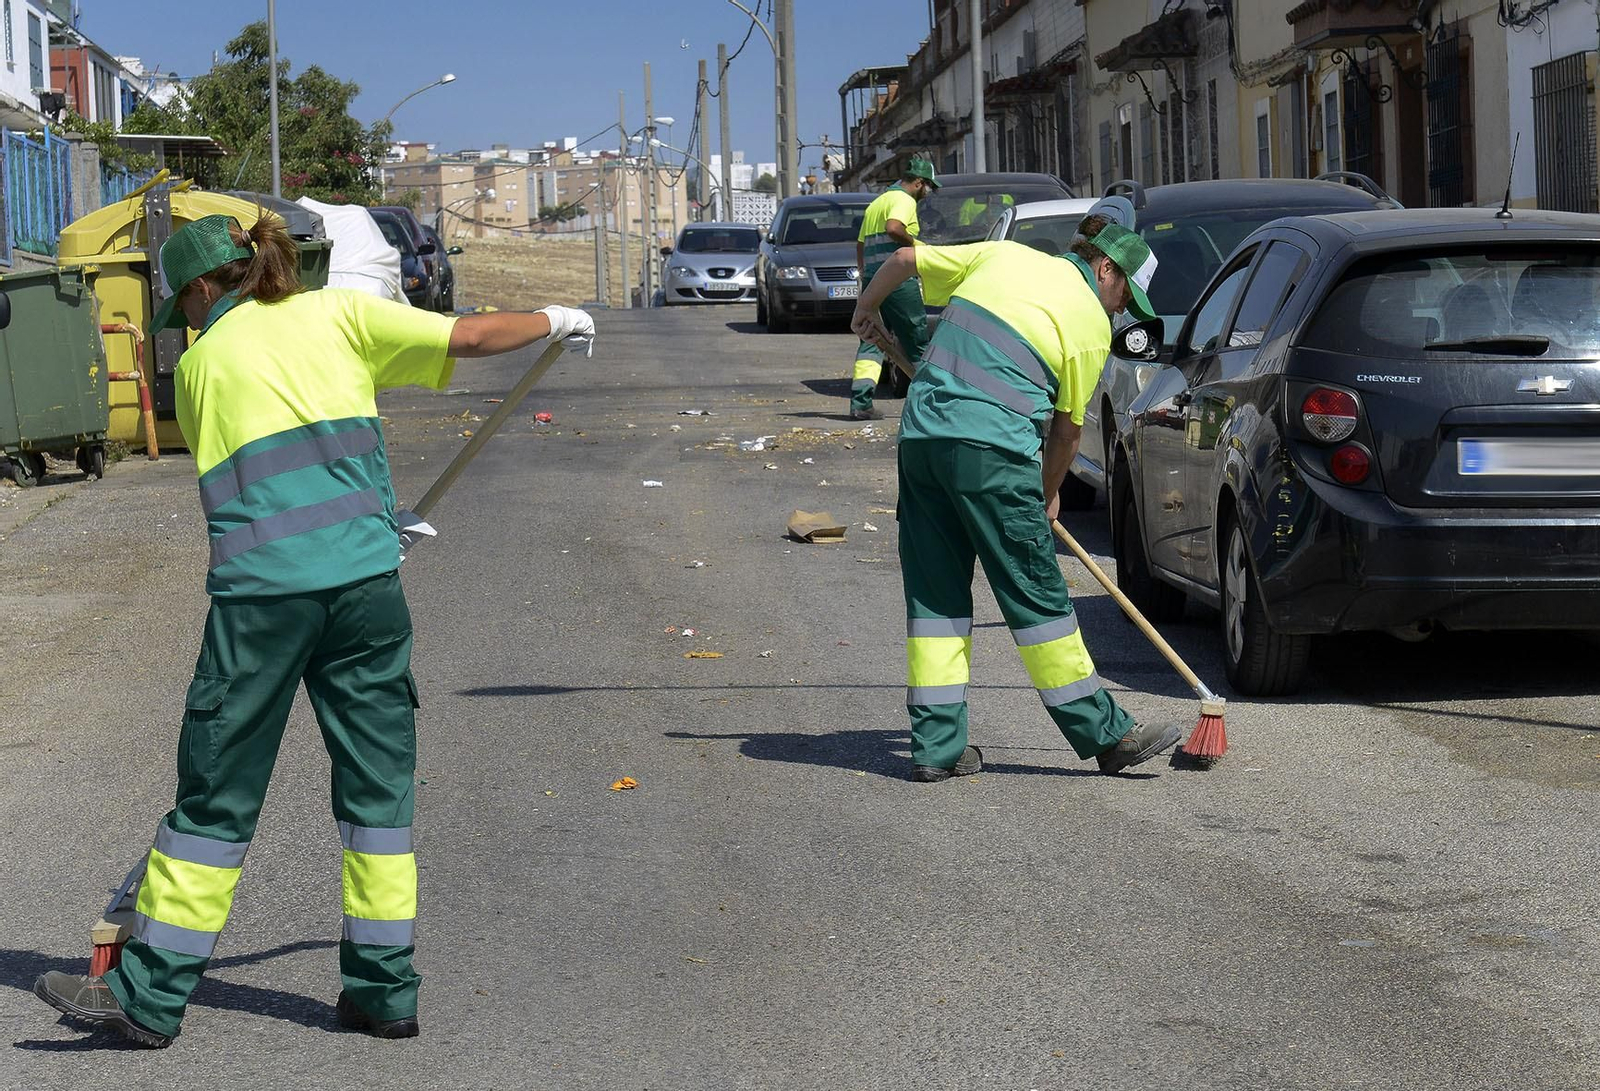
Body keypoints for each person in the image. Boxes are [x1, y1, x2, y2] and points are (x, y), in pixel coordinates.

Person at [33, 213, 595, 1047]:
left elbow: (256, 485)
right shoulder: (341, 314)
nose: (180, 327)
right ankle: (383, 990)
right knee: (379, 799)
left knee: (217, 794)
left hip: (262, 607)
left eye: (180, 309)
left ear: (199, 289)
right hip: (368, 590)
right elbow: (471, 336)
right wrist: (558, 317)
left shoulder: (200, 365)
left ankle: (149, 998)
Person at [851, 214, 1182, 781]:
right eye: (1126, 295)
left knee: (936, 599)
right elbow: (1067, 434)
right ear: (1106, 268)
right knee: (1036, 594)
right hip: (993, 454)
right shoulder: (1089, 324)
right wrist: (1047, 494)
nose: (1121, 311)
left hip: (923, 442)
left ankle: (937, 748)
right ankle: (1105, 735)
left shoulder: (1005, 255)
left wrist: (865, 308)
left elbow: (905, 260)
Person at [845, 156, 939, 421]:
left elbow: (861, 244)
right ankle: (932, 403)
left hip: (874, 281)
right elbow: (894, 228)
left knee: (872, 340)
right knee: (916, 340)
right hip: (897, 281)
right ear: (918, 183)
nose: (927, 193)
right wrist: (917, 246)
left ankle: (861, 404)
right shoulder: (904, 201)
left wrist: (866, 276)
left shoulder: (877, 203)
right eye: (928, 186)